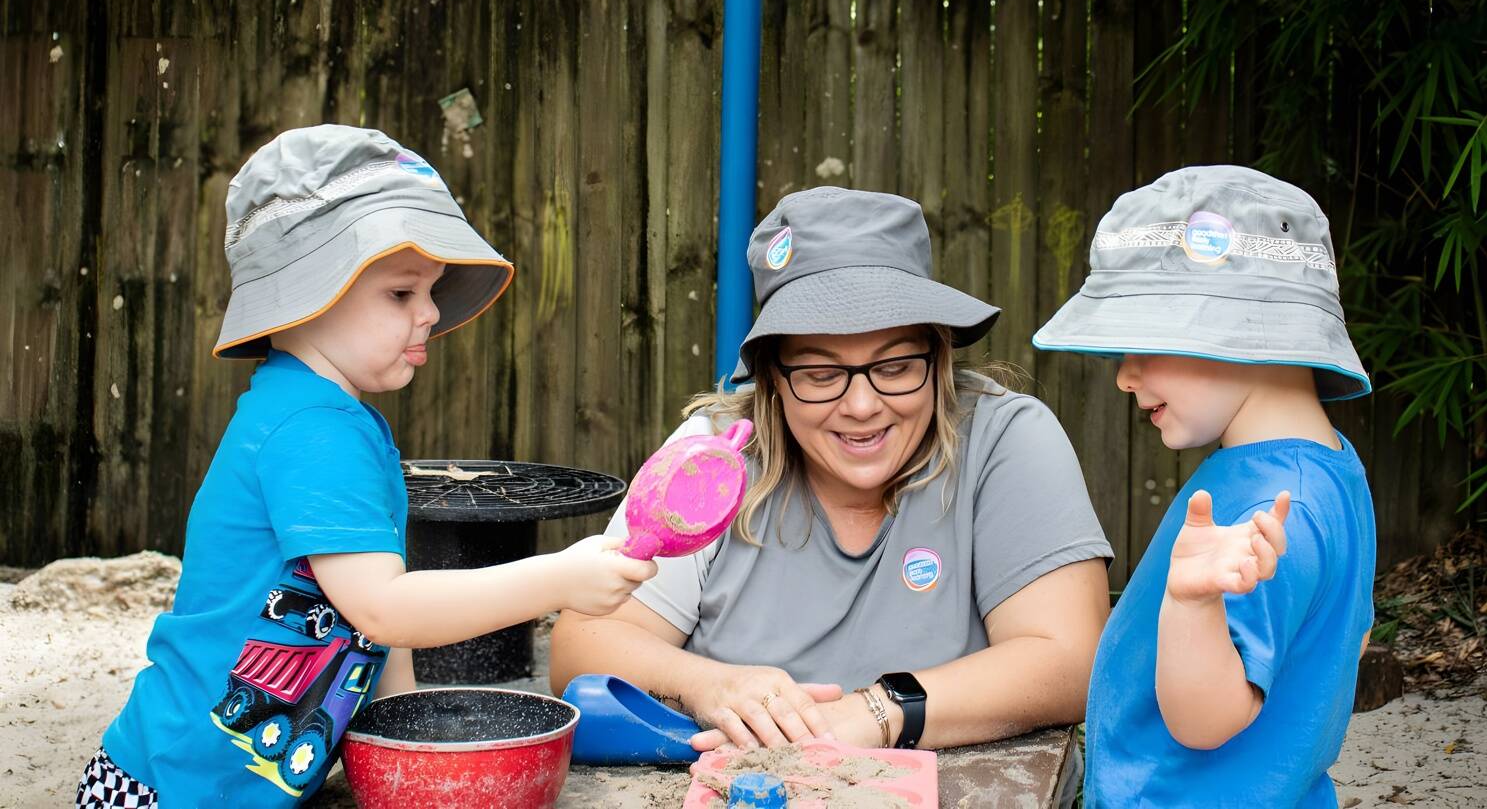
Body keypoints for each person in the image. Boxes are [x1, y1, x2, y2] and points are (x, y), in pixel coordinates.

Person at [79, 125, 656, 809]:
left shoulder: (336, 421)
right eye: (400, 294)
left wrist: (402, 736)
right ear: (307, 292)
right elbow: (385, 609)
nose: (432, 312)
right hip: (171, 787)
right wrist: (558, 578)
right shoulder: (312, 432)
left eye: (432, 291)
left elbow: (379, 629)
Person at [551, 186, 1112, 771]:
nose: (863, 405)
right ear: (770, 376)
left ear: (939, 354)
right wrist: (708, 685)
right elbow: (583, 645)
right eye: (821, 374)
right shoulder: (710, 459)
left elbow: (1070, 660)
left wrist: (877, 711)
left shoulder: (1004, 437)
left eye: (895, 366)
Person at [1033, 165, 1377, 807]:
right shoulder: (1332, 467)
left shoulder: (1270, 510)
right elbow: (1349, 638)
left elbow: (1205, 721)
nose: (1124, 377)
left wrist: (1192, 605)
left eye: (1143, 344)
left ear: (1243, 327)